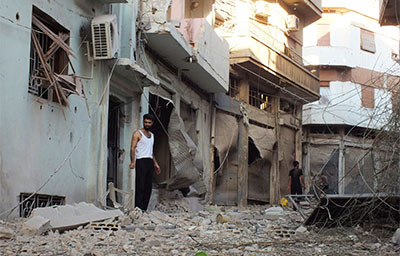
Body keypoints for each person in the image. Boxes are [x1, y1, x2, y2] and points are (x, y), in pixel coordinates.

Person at [130, 114, 161, 211]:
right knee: (140, 186)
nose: (147, 124)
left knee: (148, 188)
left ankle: (144, 209)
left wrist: (156, 164)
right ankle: (138, 209)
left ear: (152, 123)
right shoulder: (137, 133)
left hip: (149, 162)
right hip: (141, 161)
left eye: (149, 123)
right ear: (143, 122)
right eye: (145, 122)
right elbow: (133, 148)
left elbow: (151, 152)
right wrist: (132, 161)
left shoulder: (152, 135)